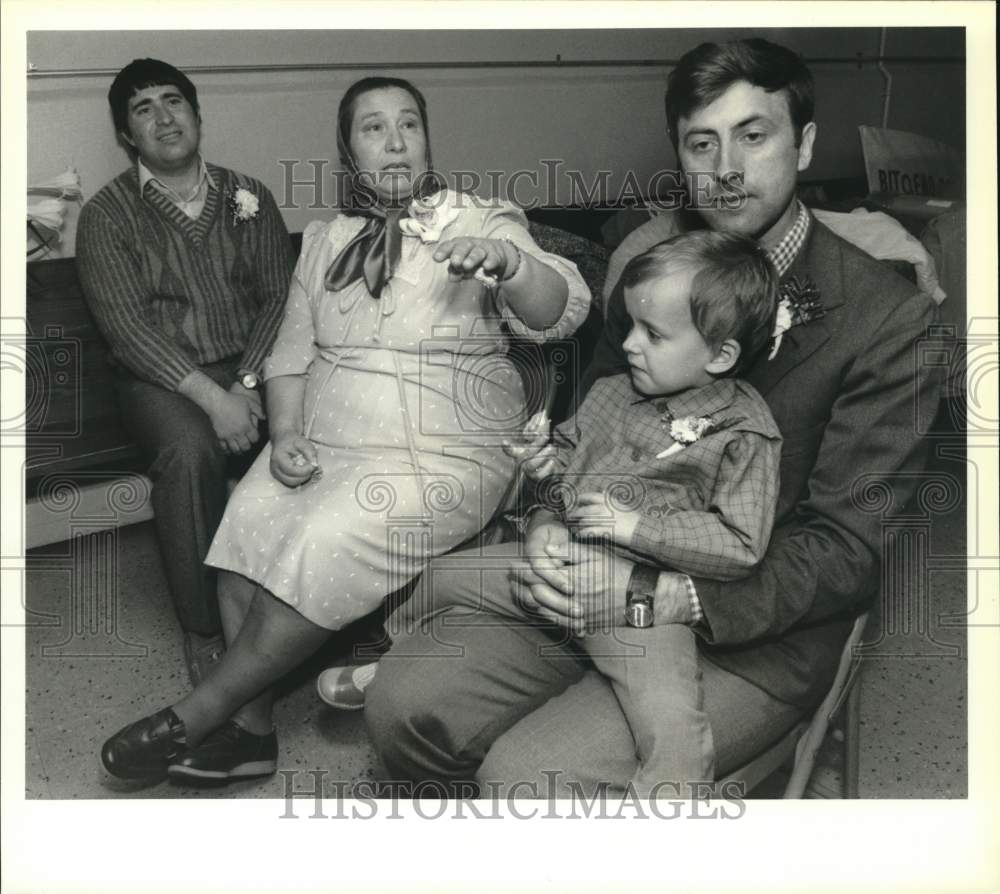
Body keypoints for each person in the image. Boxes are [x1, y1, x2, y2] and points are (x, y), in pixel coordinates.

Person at [364, 38, 942, 797]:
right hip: (590, 559)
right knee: (402, 706)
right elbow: (590, 434)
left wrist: (656, 595)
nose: (726, 167)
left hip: (744, 625)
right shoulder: (650, 266)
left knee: (529, 779)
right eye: (702, 143)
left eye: (754, 134)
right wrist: (545, 523)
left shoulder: (889, 318)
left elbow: (843, 552)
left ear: (802, 144)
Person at [98, 76, 590, 784]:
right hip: (328, 441)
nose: (394, 140)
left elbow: (560, 307)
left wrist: (513, 266)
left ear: (426, 139)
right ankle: (253, 728)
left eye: (409, 124)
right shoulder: (328, 239)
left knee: (325, 542)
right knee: (248, 519)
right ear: (348, 151)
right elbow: (291, 353)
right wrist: (288, 432)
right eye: (372, 128)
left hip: (444, 450)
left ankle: (201, 714)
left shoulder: (479, 217)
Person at [484, 231, 783, 796]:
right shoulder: (611, 392)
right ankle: (394, 652)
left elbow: (741, 543)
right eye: (629, 327)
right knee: (439, 578)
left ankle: (671, 809)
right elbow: (569, 464)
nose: (628, 345)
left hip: (637, 604)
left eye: (653, 334)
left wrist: (637, 527)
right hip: (560, 563)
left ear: (720, 355)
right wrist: (545, 465)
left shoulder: (743, 431)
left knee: (669, 718)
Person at [76, 59, 295, 686]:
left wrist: (247, 384)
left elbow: (280, 300)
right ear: (127, 134)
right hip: (158, 381)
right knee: (191, 451)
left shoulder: (248, 195)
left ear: (198, 115)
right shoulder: (107, 216)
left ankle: (299, 607)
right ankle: (205, 631)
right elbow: (127, 331)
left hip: (245, 369)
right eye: (144, 109)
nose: (164, 116)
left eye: (174, 101)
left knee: (311, 428)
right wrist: (212, 399)